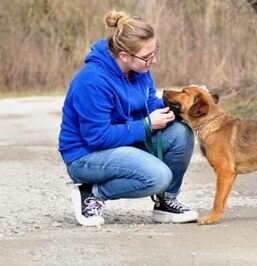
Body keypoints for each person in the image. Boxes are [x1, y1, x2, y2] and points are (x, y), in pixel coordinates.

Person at [58, 10, 199, 226]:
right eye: (147, 56)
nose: (154, 60)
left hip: (125, 142)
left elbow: (149, 104)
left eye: (155, 51)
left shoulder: (140, 69)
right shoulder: (92, 81)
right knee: (158, 177)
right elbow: (97, 138)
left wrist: (183, 101)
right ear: (124, 55)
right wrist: (146, 125)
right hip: (86, 156)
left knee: (181, 133)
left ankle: (166, 201)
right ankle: (92, 192)